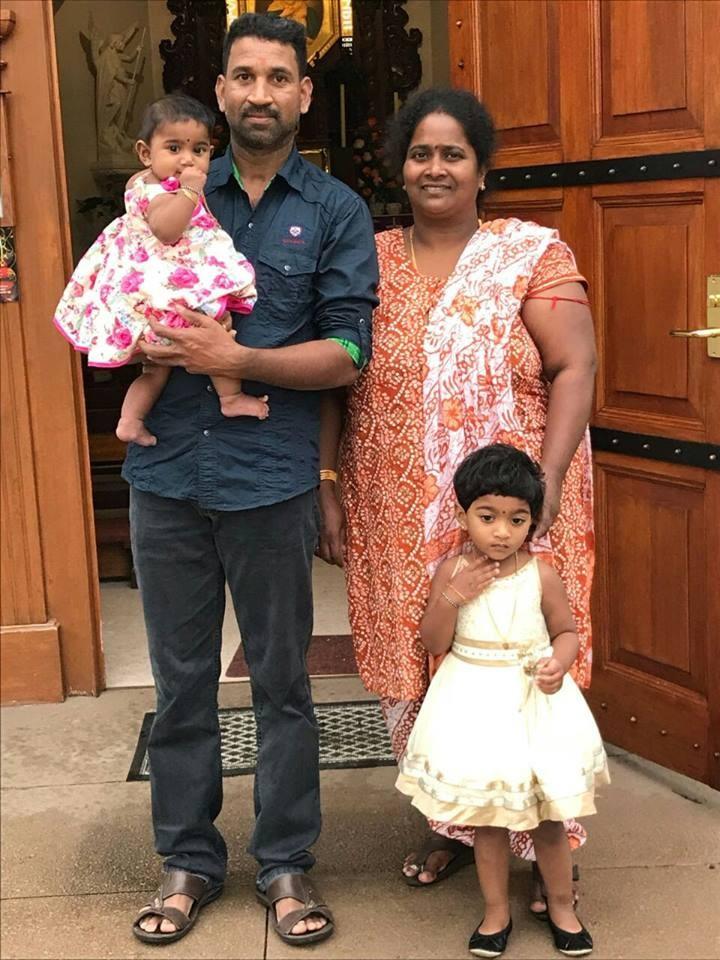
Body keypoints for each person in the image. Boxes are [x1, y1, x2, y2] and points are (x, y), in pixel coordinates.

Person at [126, 12, 378, 947]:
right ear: (222, 88)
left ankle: (283, 864)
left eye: (280, 77)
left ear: (304, 94)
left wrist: (237, 356)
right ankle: (188, 860)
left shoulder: (338, 210)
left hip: (269, 479)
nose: (261, 93)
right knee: (180, 683)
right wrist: (141, 344)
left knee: (281, 683)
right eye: (245, 76)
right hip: (166, 478)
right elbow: (117, 293)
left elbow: (349, 352)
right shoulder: (172, 185)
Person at [318, 87, 597, 911]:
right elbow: (336, 376)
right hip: (394, 504)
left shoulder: (531, 252)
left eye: (453, 154)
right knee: (426, 666)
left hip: (516, 507)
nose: (434, 168)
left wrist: (541, 486)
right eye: (420, 153)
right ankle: (456, 829)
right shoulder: (361, 257)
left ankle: (549, 853)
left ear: (482, 169)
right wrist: (327, 481)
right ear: (400, 168)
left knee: (520, 662)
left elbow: (574, 370)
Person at [397, 443, 609, 957]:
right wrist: (455, 594)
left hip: (534, 701)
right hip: (474, 703)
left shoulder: (542, 573)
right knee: (488, 820)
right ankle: (496, 912)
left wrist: (560, 661)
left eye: (517, 520)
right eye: (487, 517)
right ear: (462, 514)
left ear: (533, 521)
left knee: (548, 817)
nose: (501, 532)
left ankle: (562, 904)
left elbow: (566, 630)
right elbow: (433, 642)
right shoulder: (451, 572)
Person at [53, 93, 264, 448]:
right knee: (215, 328)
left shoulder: (154, 182)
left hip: (161, 285)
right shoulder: (157, 191)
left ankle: (130, 419)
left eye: (199, 149)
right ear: (145, 153)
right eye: (174, 148)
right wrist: (188, 192)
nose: (187, 159)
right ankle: (230, 398)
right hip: (164, 289)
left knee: (155, 369)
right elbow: (168, 230)